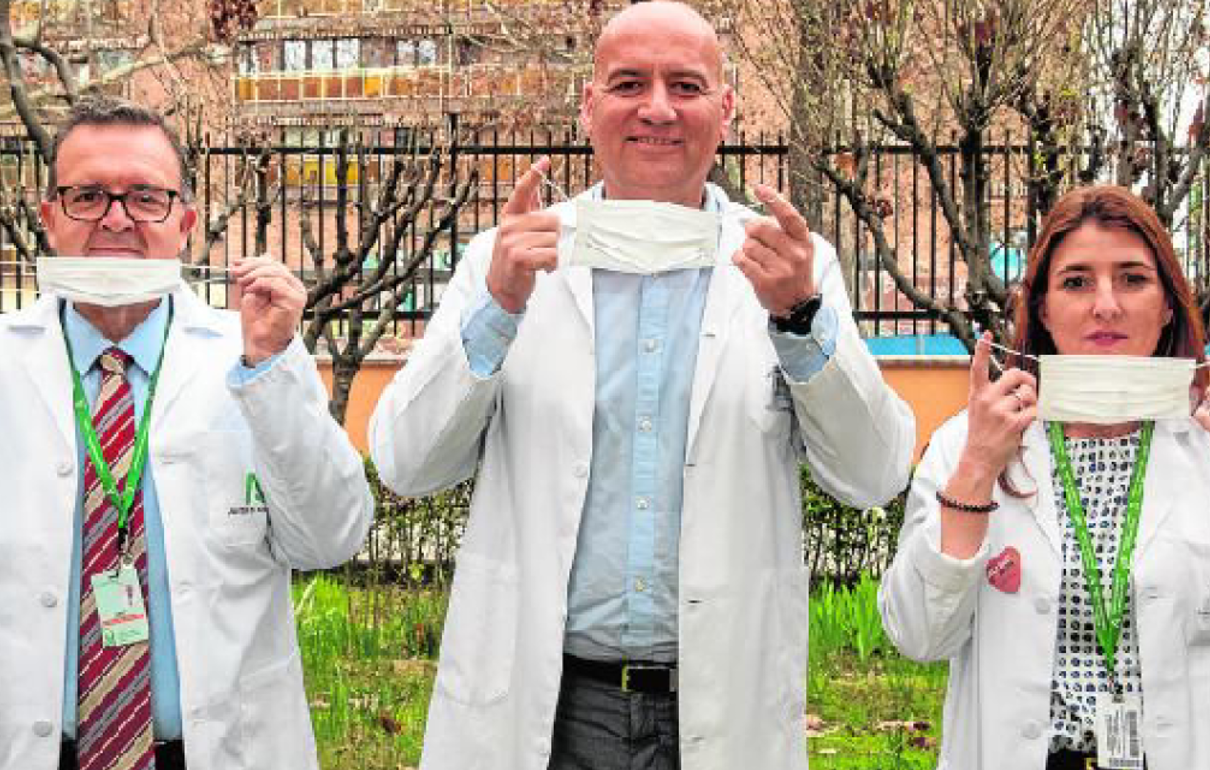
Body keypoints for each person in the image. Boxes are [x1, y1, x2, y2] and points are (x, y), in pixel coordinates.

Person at [368, 3, 915, 769]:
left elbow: (874, 474)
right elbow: (405, 461)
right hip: (550, 705)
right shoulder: (509, 260)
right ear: (590, 106)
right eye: (629, 83)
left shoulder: (793, 267)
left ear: (726, 110)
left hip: (718, 705)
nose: (657, 108)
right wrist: (496, 310)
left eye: (685, 85)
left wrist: (801, 318)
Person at [0, 97, 375, 770]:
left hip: (215, 750)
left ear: (186, 222)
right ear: (50, 218)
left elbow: (331, 537)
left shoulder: (249, 356)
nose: (116, 219)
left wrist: (275, 370)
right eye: (88, 196)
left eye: (145, 197)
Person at [879, 185, 1210, 769]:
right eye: (1076, 281)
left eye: (1132, 279)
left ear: (1169, 304)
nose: (1106, 305)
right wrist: (976, 470)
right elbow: (919, 636)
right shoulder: (971, 442)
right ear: (1045, 309)